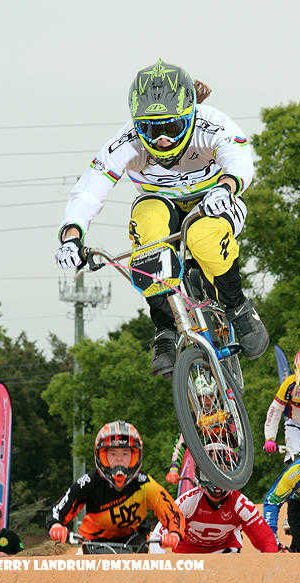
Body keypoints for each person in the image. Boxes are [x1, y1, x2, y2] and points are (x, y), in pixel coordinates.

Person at [55, 58, 269, 377]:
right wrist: (71, 236)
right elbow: (89, 189)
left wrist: (227, 187)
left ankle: (237, 306)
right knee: (148, 230)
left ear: (189, 117)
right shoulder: (126, 141)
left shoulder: (210, 123)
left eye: (171, 128)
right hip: (160, 203)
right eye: (152, 130)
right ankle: (165, 329)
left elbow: (238, 157)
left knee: (204, 238)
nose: (162, 141)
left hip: (212, 199)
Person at [47, 420, 185, 553]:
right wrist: (56, 525)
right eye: (113, 453)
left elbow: (172, 512)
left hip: (136, 547)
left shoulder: (145, 483)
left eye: (125, 453)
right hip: (92, 546)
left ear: (135, 455)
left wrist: (174, 534)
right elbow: (58, 509)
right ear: (102, 455)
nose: (119, 459)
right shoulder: (88, 481)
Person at [151, 443, 278, 554]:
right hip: (188, 553)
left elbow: (266, 539)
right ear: (198, 474)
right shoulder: (188, 501)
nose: (216, 481)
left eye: (223, 473)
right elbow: (158, 535)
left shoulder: (240, 504)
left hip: (225, 550)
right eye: (209, 474)